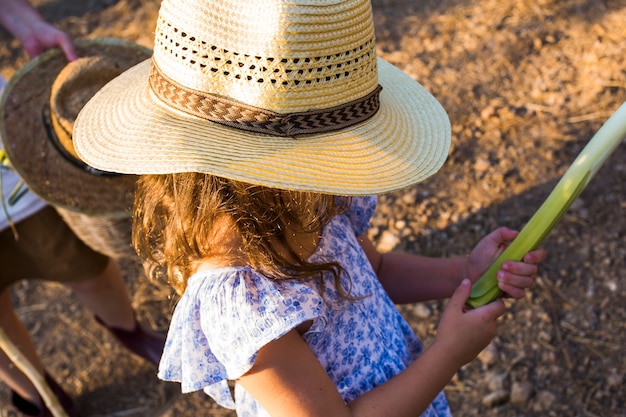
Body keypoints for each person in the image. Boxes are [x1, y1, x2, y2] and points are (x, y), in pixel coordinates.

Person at [72, 0, 547, 416]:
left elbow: (373, 269)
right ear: (260, 178)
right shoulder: (243, 302)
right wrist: (447, 354)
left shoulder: (312, 202)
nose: (342, 173)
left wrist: (464, 274)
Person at [0, 1, 166, 417]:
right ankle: (41, 395)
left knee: (81, 262)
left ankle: (128, 331)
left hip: (8, 164)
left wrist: (23, 21)